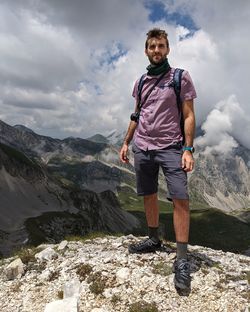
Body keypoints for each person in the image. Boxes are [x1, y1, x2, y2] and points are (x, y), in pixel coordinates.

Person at [119, 28, 196, 290]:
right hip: (143, 146)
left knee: (180, 197)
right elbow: (136, 115)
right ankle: (154, 239)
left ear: (167, 49)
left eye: (161, 46)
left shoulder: (179, 77)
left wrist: (188, 149)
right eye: (152, 46)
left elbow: (188, 115)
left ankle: (182, 259)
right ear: (146, 50)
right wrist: (127, 141)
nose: (156, 51)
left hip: (172, 147)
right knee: (148, 193)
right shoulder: (141, 82)